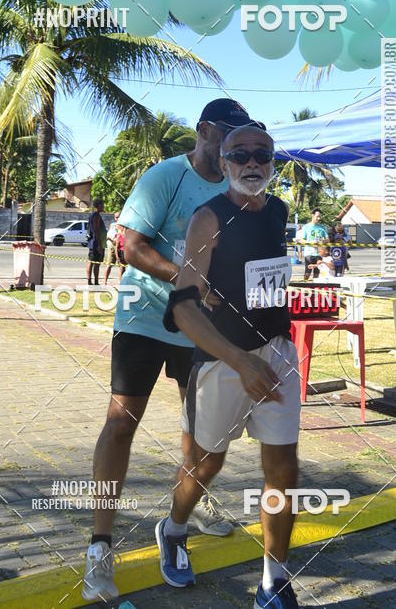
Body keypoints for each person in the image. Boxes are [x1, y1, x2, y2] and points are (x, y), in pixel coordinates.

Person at [83, 99, 265, 602]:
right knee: (121, 422)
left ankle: (185, 513)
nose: (235, 145)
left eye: (244, 136)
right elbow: (130, 247)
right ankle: (100, 546)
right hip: (144, 318)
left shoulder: (241, 188)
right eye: (228, 133)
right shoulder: (165, 176)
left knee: (202, 432)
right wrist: (192, 281)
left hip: (203, 329)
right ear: (204, 130)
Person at [155, 124, 301, 608]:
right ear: (224, 163)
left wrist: (273, 341)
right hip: (222, 360)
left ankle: (273, 581)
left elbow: (263, 282)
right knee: (206, 463)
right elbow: (182, 306)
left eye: (262, 153)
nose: (252, 163)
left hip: (276, 353)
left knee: (282, 466)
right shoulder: (208, 218)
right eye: (240, 154)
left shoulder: (279, 210)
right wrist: (239, 360)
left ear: (273, 161)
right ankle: (174, 529)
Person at [300, 208, 328, 281]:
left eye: (320, 217)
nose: (318, 218)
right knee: (307, 272)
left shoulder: (322, 227)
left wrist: (322, 241)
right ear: (312, 215)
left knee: (317, 273)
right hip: (309, 253)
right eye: (317, 216)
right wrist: (311, 243)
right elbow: (302, 240)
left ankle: (314, 287)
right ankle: (304, 285)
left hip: (319, 253)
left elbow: (328, 239)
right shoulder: (306, 227)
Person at [86, 198, 107, 286]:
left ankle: (95, 281)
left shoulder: (95, 215)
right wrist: (99, 245)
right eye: (102, 205)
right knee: (93, 262)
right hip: (96, 243)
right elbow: (96, 230)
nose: (103, 206)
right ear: (98, 206)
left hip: (96, 243)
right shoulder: (96, 216)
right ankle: (92, 281)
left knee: (95, 262)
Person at [103, 211, 120, 285]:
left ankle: (120, 281)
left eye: (119, 217)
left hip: (120, 246)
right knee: (109, 264)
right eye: (116, 217)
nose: (118, 218)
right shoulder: (112, 225)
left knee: (122, 266)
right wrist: (111, 240)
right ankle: (105, 281)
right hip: (112, 246)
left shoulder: (124, 225)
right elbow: (107, 236)